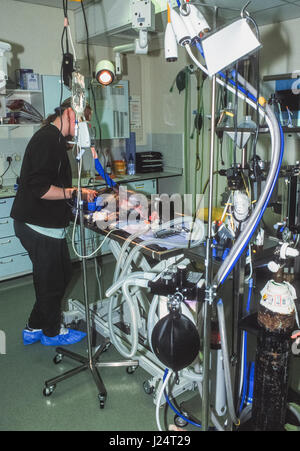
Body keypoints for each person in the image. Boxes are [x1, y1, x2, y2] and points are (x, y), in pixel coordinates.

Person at [10, 98, 97, 346]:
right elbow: (38, 187)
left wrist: (72, 192)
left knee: (57, 276)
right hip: (36, 225)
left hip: (44, 223)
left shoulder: (56, 141)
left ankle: (34, 326)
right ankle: (51, 332)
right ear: (70, 113)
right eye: (83, 121)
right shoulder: (47, 140)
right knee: (52, 280)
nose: (84, 129)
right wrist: (72, 192)